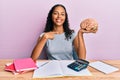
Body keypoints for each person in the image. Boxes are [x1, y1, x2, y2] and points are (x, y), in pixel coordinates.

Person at [31, 4, 96, 60]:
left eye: (62, 14)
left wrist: (80, 33)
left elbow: (82, 58)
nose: (59, 16)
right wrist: (44, 37)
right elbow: (33, 58)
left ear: (65, 17)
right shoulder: (44, 35)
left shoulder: (72, 34)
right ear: (51, 16)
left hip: (69, 68)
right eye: (55, 13)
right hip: (52, 68)